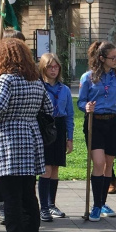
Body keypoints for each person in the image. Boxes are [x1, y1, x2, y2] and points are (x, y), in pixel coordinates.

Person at [0, 39, 53, 232]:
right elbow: (49, 108)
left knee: (11, 195)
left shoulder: (7, 80)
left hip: (10, 141)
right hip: (31, 138)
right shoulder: (36, 81)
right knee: (28, 194)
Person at [78, 41, 116, 221]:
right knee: (98, 163)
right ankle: (96, 205)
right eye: (112, 57)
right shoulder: (88, 78)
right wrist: (87, 107)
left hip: (111, 123)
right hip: (94, 123)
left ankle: (102, 202)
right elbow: (80, 102)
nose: (115, 60)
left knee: (108, 165)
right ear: (101, 58)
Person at [0, 29, 26, 225]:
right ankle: (1, 205)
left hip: (17, 130)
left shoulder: (28, 73)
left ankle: (18, 208)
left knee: (19, 175)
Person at [37, 52, 74, 221]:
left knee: (55, 168)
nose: (53, 70)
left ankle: (52, 204)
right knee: (46, 168)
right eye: (50, 66)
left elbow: (69, 115)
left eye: (56, 66)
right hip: (44, 127)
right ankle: (43, 207)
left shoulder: (64, 89)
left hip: (59, 127)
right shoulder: (38, 86)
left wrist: (70, 138)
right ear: (43, 68)